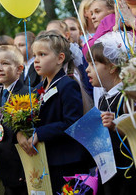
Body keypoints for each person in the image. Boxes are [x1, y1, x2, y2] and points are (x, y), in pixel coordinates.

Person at [18, 31, 91, 193]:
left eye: (42, 54)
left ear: (60, 58)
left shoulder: (67, 84)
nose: (36, 60)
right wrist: (20, 133)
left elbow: (72, 122)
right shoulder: (37, 89)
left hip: (67, 162)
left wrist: (40, 134)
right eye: (35, 55)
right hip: (43, 160)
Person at [85, 32, 136, 195]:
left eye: (93, 64)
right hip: (110, 172)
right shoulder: (104, 98)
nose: (87, 69)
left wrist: (117, 123)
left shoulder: (129, 96)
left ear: (111, 66)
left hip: (130, 170)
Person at [0, 45, 29, 195]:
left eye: (5, 63)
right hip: (6, 168)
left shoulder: (27, 94)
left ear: (19, 69)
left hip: (23, 169)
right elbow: (0, 126)